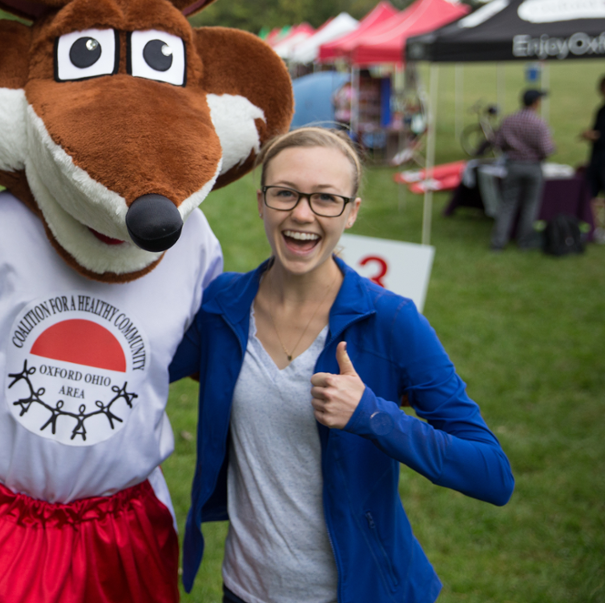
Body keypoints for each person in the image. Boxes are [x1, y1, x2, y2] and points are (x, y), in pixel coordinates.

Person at [170, 126, 513, 603]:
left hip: (357, 591)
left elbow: (493, 475)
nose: (302, 214)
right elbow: (142, 363)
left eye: (326, 199)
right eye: (285, 193)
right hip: (244, 589)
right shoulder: (222, 305)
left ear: (351, 212)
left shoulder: (393, 321)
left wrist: (374, 415)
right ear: (261, 201)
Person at [490, 88, 556, 251]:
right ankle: (525, 241)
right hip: (533, 167)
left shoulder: (509, 120)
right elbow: (547, 149)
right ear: (536, 103)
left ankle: (498, 242)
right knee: (530, 205)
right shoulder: (539, 123)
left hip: (513, 165)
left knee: (506, 204)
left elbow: (497, 143)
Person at [580, 74, 605, 244]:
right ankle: (595, 229)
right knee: (589, 193)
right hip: (597, 160)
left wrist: (596, 136)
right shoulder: (601, 110)